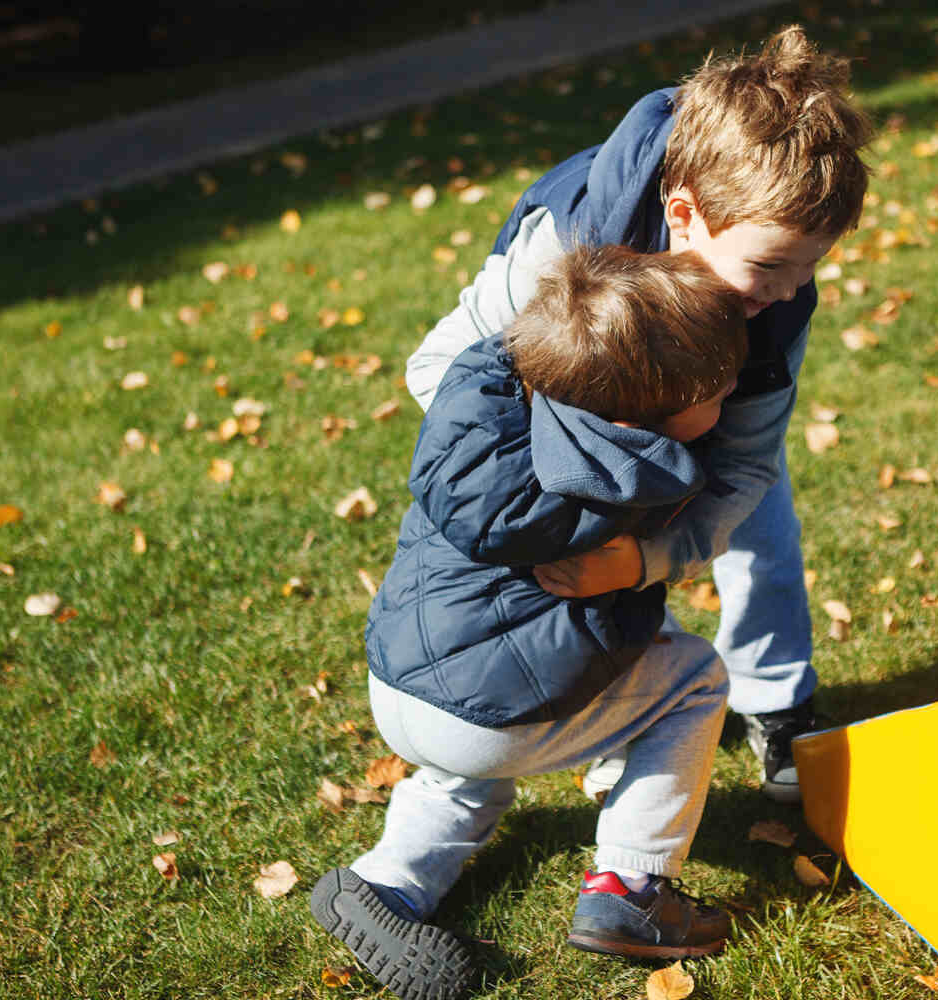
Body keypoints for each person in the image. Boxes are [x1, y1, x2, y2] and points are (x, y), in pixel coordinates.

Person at [404, 25, 871, 804]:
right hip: (555, 431)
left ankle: (775, 699)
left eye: (811, 265)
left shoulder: (779, 300)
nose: (789, 290)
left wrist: (648, 561)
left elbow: (746, 464)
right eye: (768, 266)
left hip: (700, 421)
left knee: (757, 514)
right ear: (683, 214)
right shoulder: (567, 242)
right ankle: (615, 708)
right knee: (578, 554)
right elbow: (439, 369)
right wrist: (573, 463)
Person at [311, 246, 751, 1000]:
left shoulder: (492, 418)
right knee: (694, 678)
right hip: (490, 717)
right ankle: (633, 888)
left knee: (472, 749)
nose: (732, 398)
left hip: (400, 686)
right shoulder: (627, 481)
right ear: (639, 417)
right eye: (715, 392)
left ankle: (387, 884)